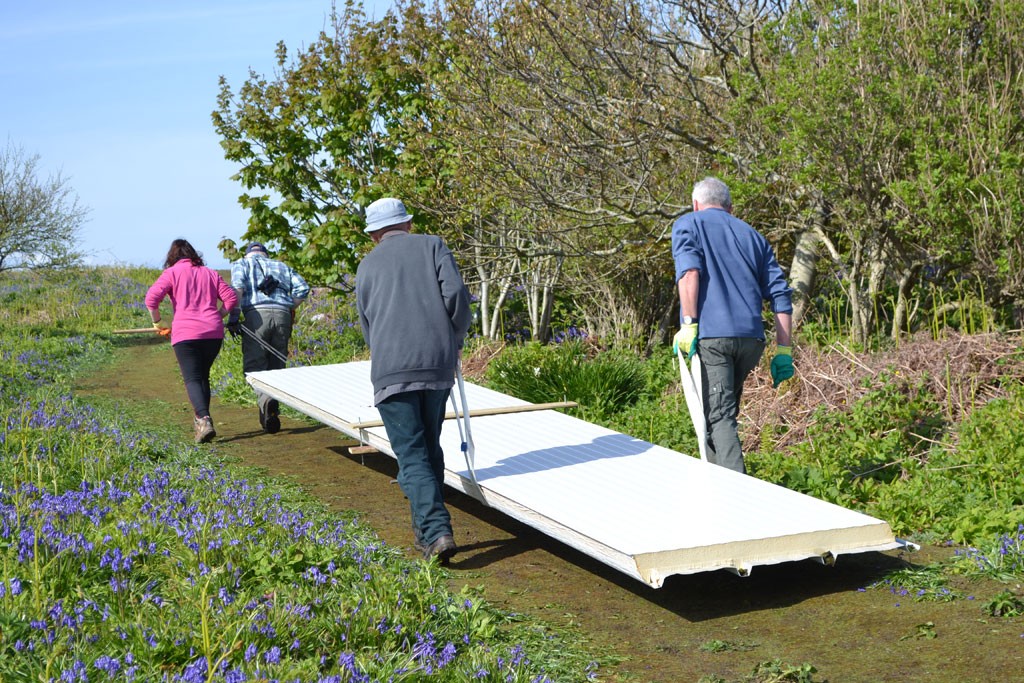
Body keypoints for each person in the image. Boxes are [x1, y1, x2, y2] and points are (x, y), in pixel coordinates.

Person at [355, 197, 473, 564]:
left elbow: (366, 323)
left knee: (412, 454)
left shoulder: (366, 266)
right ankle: (426, 534)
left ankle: (437, 530)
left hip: (392, 369)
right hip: (436, 364)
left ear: (374, 233)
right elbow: (456, 296)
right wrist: (452, 339)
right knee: (429, 447)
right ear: (407, 223)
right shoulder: (433, 245)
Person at [671, 176, 794, 474]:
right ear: (730, 207)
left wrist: (688, 323)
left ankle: (736, 498)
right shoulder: (753, 236)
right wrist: (784, 350)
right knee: (720, 415)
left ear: (696, 204)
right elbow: (780, 294)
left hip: (713, 338)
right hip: (750, 340)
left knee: (719, 417)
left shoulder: (688, 224)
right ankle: (716, 483)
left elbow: (689, 274)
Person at [146, 239, 238, 443]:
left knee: (192, 378)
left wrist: (158, 323)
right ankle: (201, 420)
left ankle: (204, 420)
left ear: (172, 257)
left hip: (186, 333)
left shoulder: (171, 273)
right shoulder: (210, 273)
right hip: (212, 333)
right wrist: (219, 315)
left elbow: (151, 300)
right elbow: (231, 298)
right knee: (203, 376)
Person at [227, 242, 310, 434]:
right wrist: (289, 307)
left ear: (248, 254)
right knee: (277, 365)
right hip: (282, 315)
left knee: (255, 365)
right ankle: (271, 411)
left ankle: (267, 400)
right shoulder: (281, 266)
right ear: (265, 254)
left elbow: (237, 288)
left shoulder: (241, 264)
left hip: (256, 315)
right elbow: (303, 288)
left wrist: (234, 317)